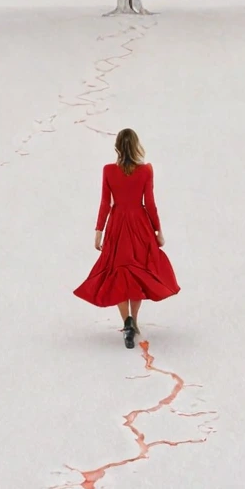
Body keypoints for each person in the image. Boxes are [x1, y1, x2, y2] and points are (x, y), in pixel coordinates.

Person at [73, 128, 180, 348]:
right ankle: (135, 321)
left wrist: (99, 230)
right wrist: (157, 231)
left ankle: (127, 322)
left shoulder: (109, 171)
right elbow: (149, 203)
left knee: (119, 271)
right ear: (136, 146)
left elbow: (106, 202)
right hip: (139, 224)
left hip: (117, 225)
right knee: (137, 271)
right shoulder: (145, 171)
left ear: (117, 147)